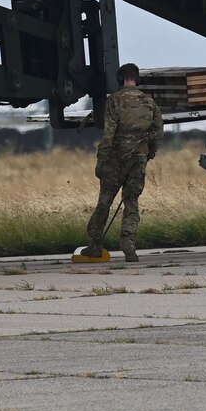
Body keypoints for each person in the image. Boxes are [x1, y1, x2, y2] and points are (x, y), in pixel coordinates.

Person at [80, 63, 164, 263]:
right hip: (138, 160)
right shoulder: (149, 102)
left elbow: (109, 133)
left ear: (120, 80)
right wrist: (149, 152)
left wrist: (101, 160)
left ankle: (94, 246)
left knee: (105, 202)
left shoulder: (114, 100)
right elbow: (158, 131)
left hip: (116, 159)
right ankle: (129, 248)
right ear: (137, 79)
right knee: (131, 202)